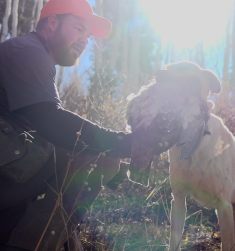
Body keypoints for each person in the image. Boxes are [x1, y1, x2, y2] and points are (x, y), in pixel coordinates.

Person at [0, 0, 177, 250]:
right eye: (79, 28)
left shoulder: (28, 54)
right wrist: (124, 144)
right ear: (52, 23)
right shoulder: (27, 52)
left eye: (89, 35)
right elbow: (52, 122)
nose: (85, 40)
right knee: (96, 159)